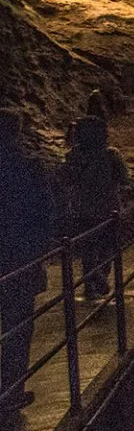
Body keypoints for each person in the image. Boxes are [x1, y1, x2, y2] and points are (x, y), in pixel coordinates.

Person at [0, 111, 53, 412]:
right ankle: (10, 392)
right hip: (19, 257)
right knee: (17, 327)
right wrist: (41, 248)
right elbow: (45, 211)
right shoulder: (29, 167)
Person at [58, 109, 128, 300]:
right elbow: (124, 179)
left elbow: (64, 179)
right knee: (107, 247)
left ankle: (91, 283)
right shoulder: (112, 155)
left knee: (88, 248)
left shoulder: (73, 156)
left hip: (82, 209)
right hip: (107, 209)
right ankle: (100, 278)